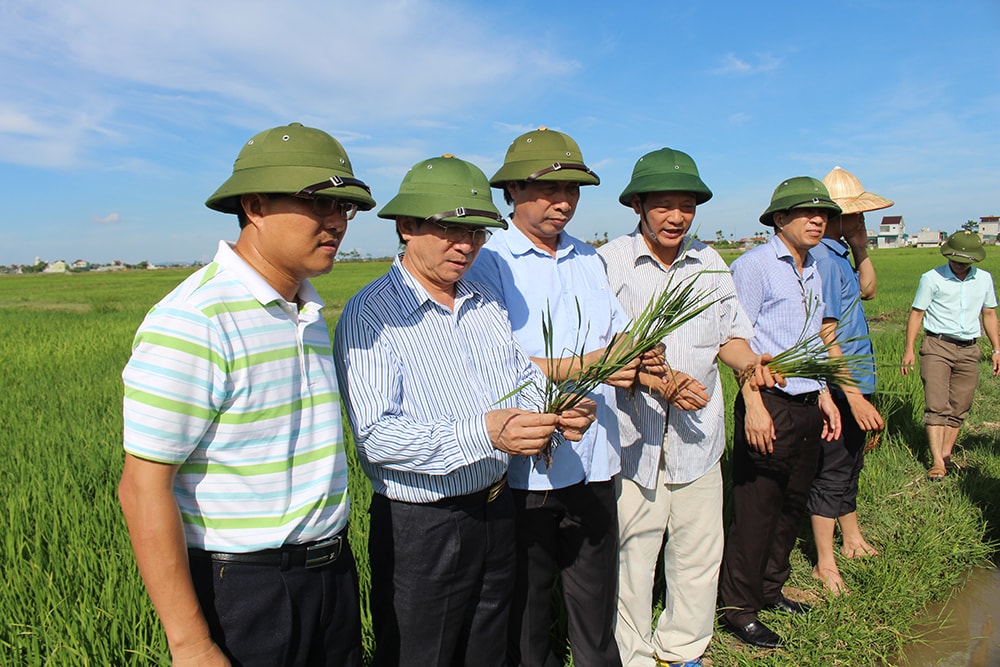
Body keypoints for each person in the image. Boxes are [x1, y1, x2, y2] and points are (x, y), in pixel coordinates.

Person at [118, 122, 376, 667]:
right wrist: (190, 643)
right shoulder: (196, 320)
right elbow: (143, 488)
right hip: (246, 592)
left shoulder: (308, 311)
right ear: (254, 205)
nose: (336, 221)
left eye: (344, 206)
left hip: (331, 575)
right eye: (318, 202)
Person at [332, 155, 596, 667]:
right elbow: (377, 438)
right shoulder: (370, 315)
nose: (466, 245)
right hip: (423, 525)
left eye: (475, 232)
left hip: (497, 507)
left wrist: (555, 411)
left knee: (488, 646)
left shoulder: (483, 300)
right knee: (420, 654)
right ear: (406, 227)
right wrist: (485, 434)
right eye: (449, 229)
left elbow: (518, 382)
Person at [466, 127, 635, 666]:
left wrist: (638, 354)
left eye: (574, 190)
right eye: (547, 190)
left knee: (595, 600)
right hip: (526, 470)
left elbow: (619, 331)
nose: (563, 202)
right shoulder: (488, 261)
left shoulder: (589, 259)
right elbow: (494, 366)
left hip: (594, 458)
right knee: (528, 610)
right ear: (511, 191)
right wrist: (598, 366)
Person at [599, 148, 774, 667]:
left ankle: (683, 649)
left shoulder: (711, 263)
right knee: (633, 553)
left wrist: (749, 369)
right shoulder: (609, 264)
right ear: (638, 207)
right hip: (633, 441)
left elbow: (732, 338)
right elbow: (606, 348)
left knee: (698, 552)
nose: (677, 216)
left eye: (687, 206)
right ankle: (630, 654)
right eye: (664, 205)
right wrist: (659, 380)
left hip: (699, 438)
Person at [718, 176, 842, 650]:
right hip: (768, 404)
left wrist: (826, 395)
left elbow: (813, 342)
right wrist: (753, 405)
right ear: (778, 218)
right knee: (756, 509)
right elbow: (734, 340)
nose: (817, 221)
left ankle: (771, 590)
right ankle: (739, 608)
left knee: (791, 504)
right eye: (806, 213)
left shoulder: (812, 268)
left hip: (808, 404)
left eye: (823, 214)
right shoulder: (753, 266)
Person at [807, 167, 890, 595]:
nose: (863, 223)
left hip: (857, 373)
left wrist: (860, 247)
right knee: (834, 466)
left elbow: (870, 291)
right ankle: (824, 560)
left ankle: (852, 536)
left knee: (852, 462)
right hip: (840, 382)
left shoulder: (839, 252)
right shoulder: (821, 258)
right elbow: (825, 334)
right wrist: (852, 396)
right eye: (856, 217)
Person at [901, 231, 999, 479]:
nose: (960, 265)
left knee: (960, 405)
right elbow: (917, 313)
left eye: (965, 261)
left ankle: (946, 454)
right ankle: (937, 461)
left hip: (969, 349)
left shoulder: (984, 280)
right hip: (937, 346)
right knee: (937, 404)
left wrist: (997, 349)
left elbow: (989, 314)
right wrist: (909, 349)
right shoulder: (932, 278)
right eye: (956, 260)